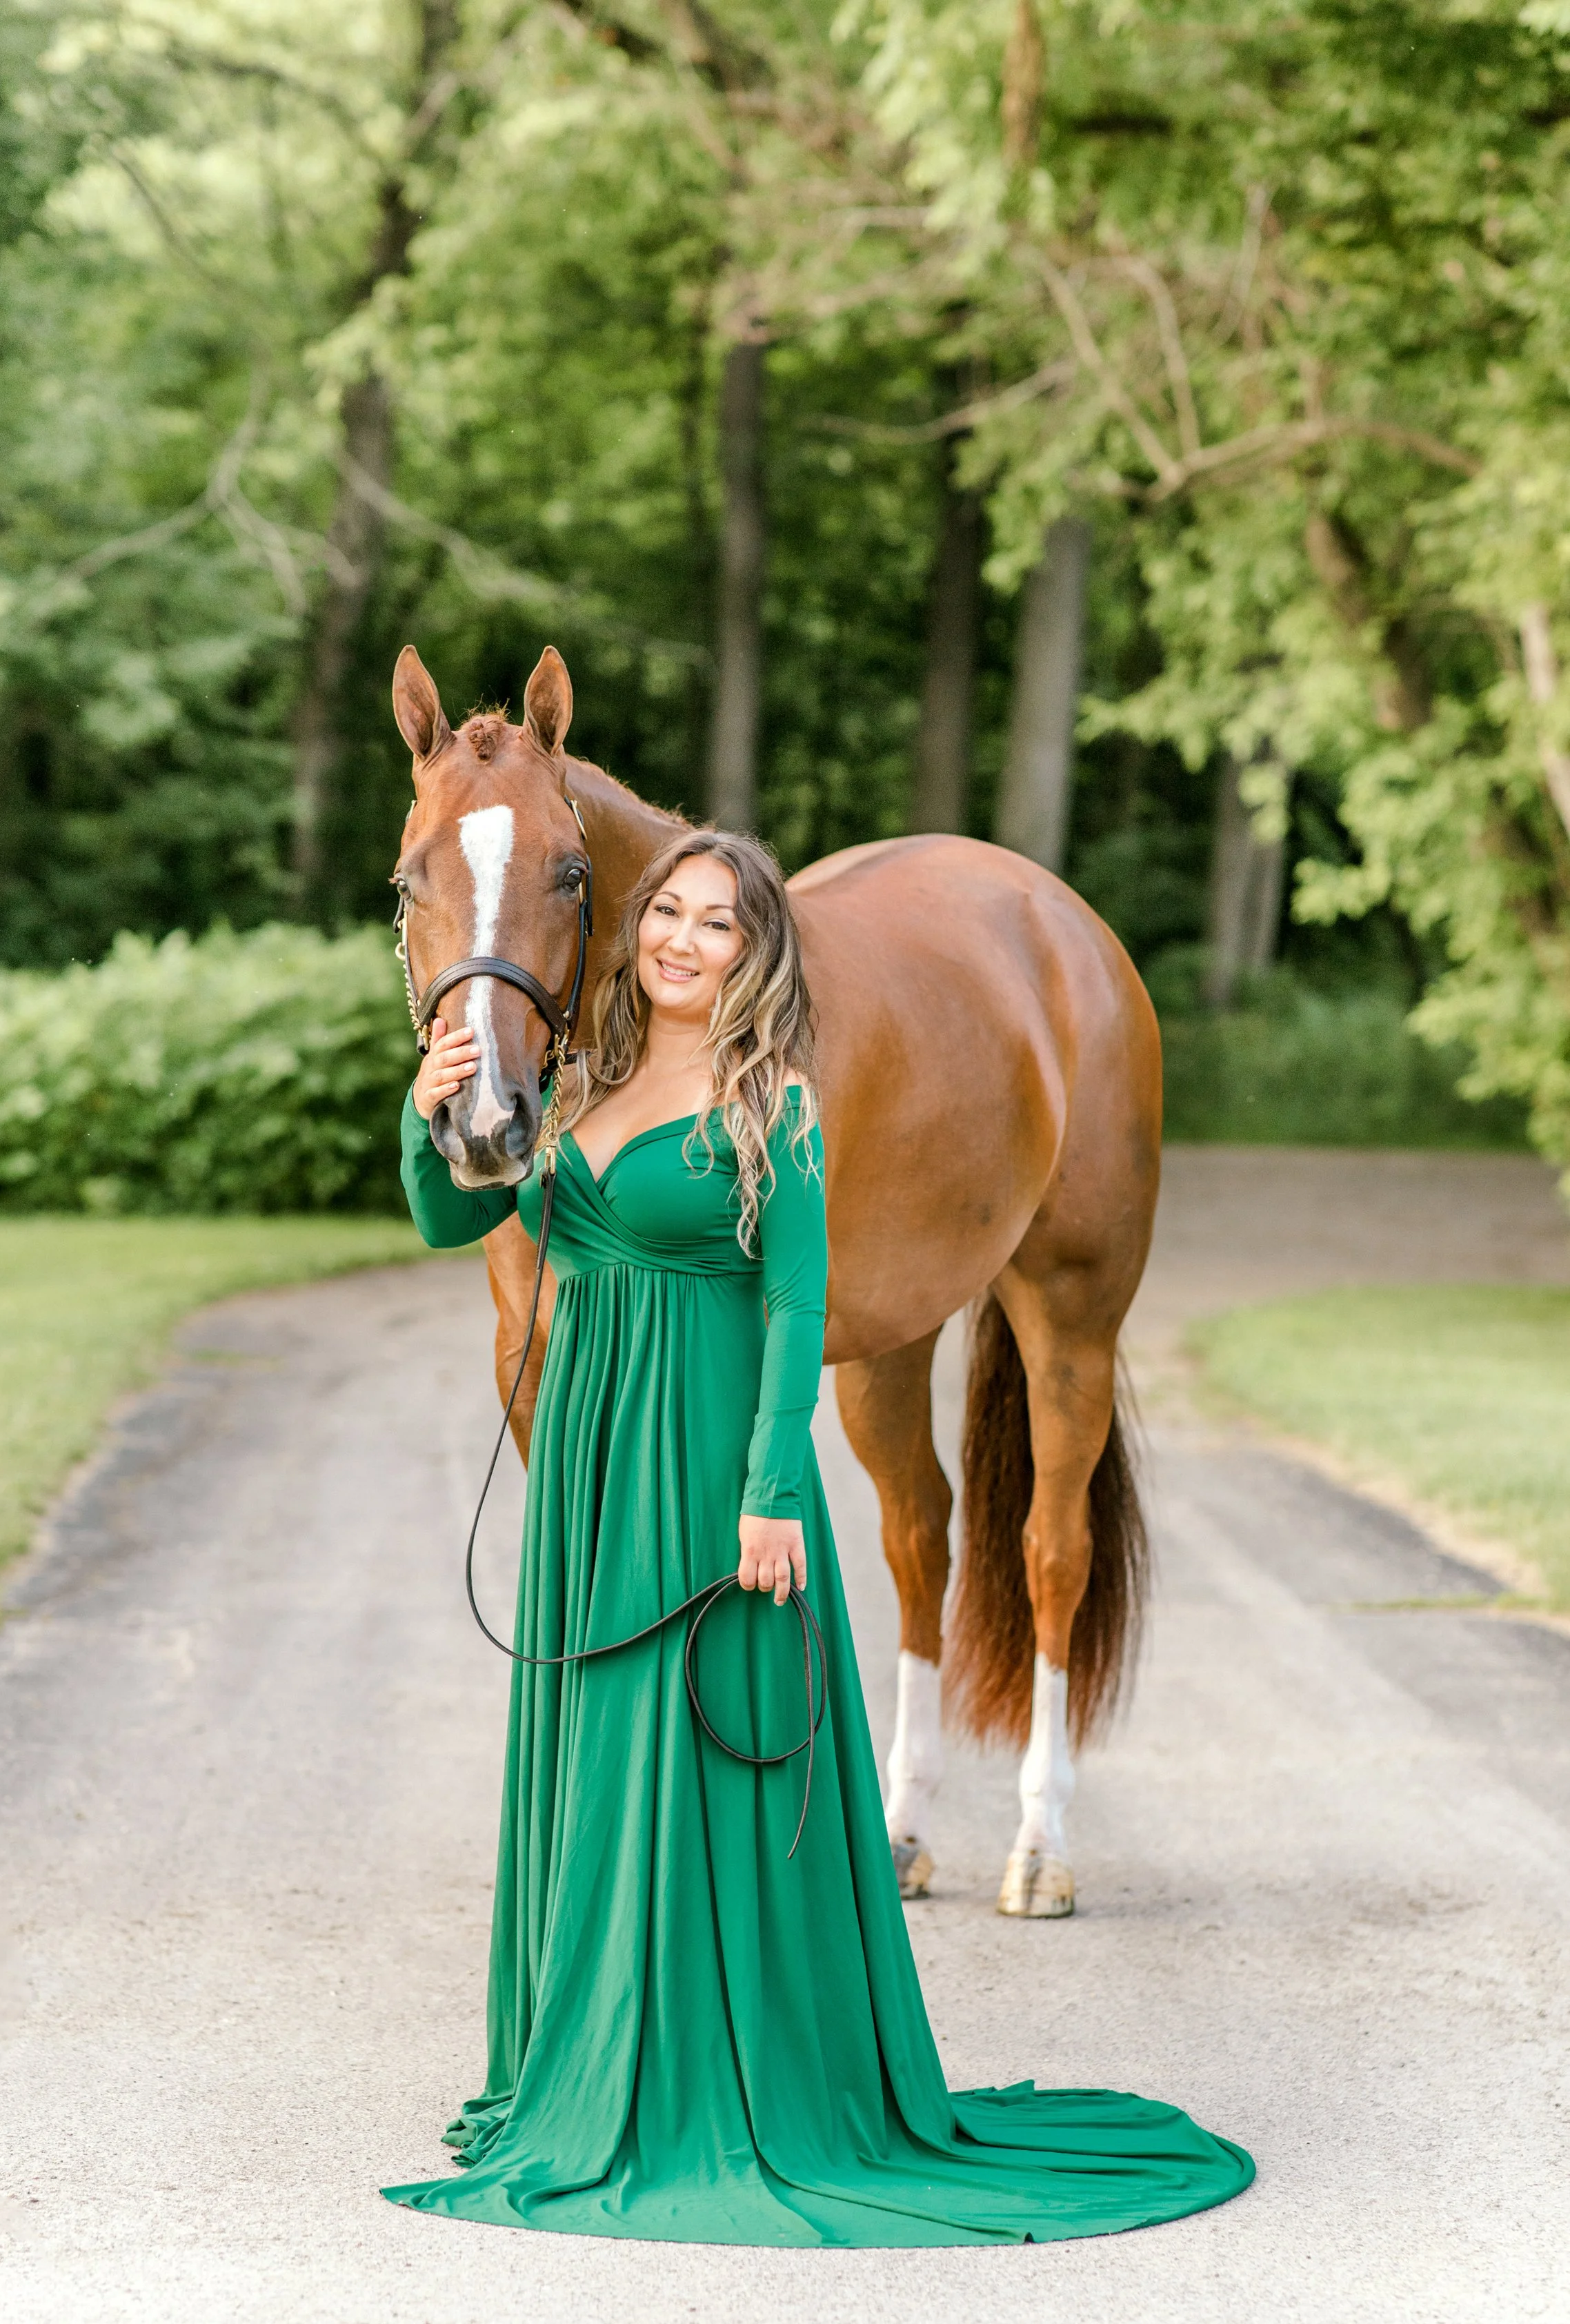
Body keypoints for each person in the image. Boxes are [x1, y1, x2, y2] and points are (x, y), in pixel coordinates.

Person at [382, 828, 1252, 2246]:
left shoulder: (769, 1100)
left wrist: (773, 1490)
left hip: (704, 1452)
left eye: (716, 923)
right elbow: (451, 1215)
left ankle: (729, 2083)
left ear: (753, 954)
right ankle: (584, 2062)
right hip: (596, 1463)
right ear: (632, 928)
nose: (680, 939)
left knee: (706, 1752)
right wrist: (426, 1111)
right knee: (600, 1746)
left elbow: (798, 1306)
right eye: (666, 911)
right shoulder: (578, 1082)